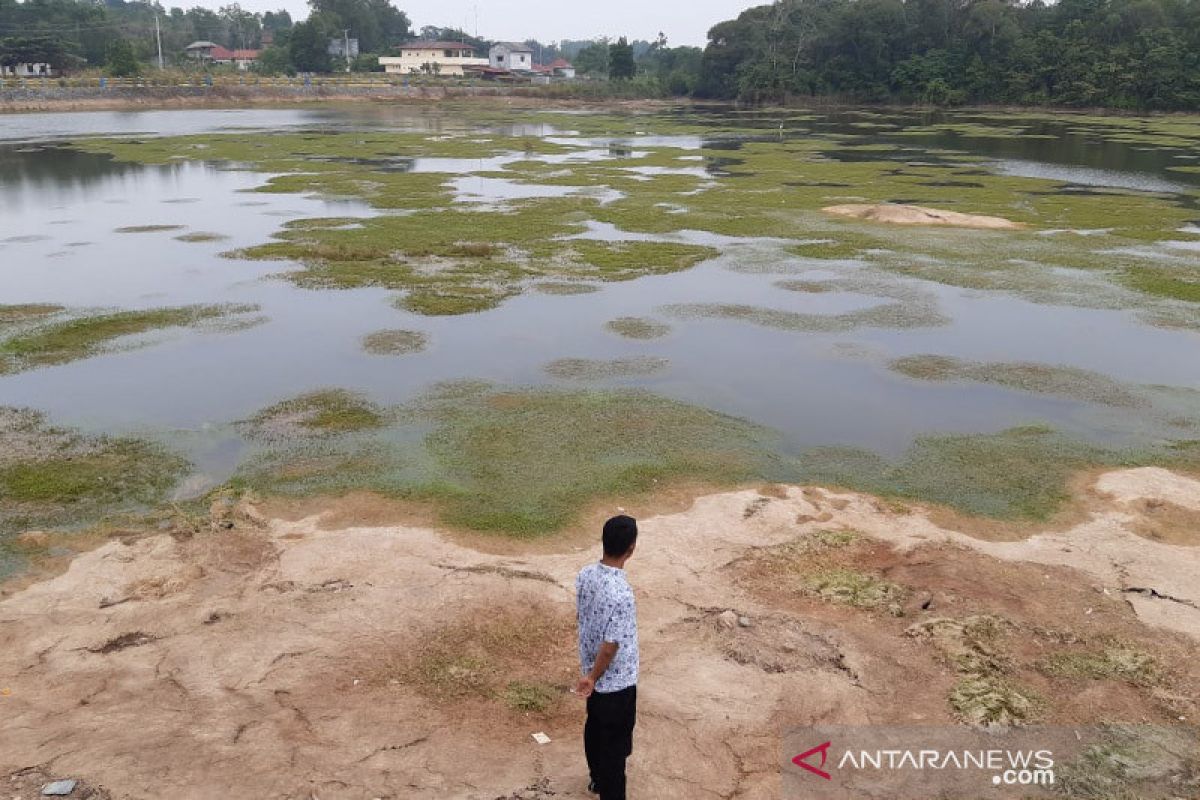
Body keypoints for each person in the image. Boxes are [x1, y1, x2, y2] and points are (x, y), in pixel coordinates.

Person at [575, 515, 640, 800]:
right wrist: (593, 677)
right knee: (615, 748)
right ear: (631, 548)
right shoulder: (622, 594)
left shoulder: (585, 575)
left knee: (595, 728)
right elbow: (611, 646)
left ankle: (596, 779)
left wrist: (590, 674)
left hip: (593, 672)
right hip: (616, 682)